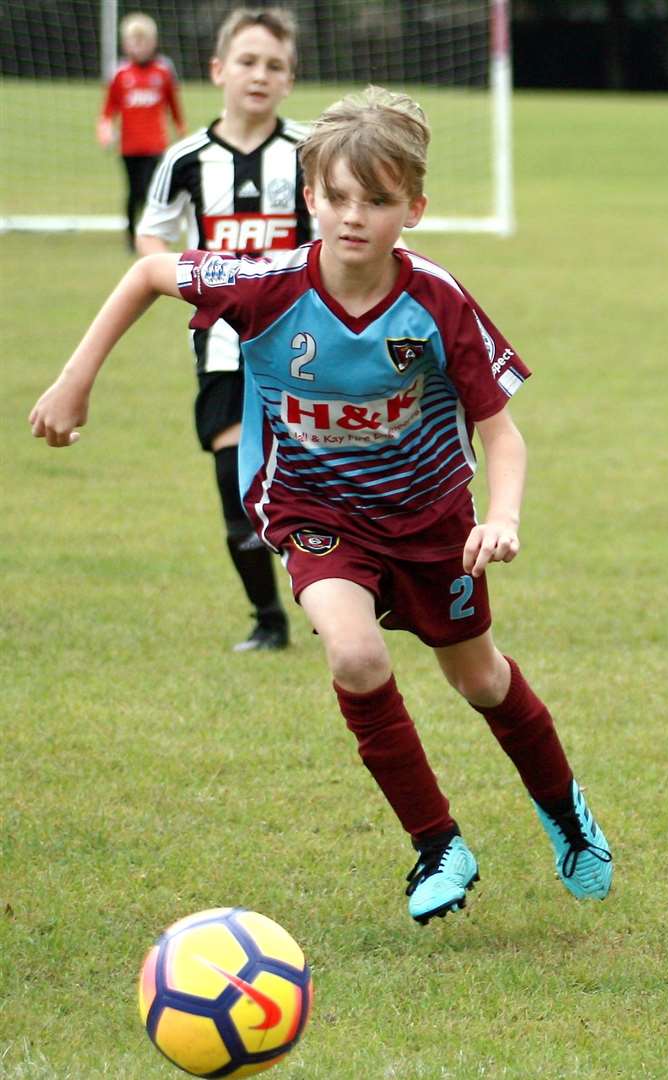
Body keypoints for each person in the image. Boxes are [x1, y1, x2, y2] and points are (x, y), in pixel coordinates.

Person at [30, 86, 613, 925]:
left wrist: (503, 517)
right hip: (315, 511)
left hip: (430, 520)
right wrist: (76, 380)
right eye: (336, 197)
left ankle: (565, 815)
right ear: (310, 197)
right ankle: (437, 842)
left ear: (412, 207)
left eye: (375, 200)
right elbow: (153, 271)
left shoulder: (437, 300)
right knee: (355, 657)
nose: (353, 216)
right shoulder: (264, 284)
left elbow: (502, 433)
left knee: (480, 678)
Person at [136, 7, 313, 653]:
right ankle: (268, 619)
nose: (258, 75)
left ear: (289, 79)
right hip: (222, 345)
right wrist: (180, 273)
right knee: (235, 484)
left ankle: (334, 593)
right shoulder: (185, 158)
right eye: (247, 61)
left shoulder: (310, 153)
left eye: (274, 65)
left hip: (305, 345)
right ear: (218, 70)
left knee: (315, 479)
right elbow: (152, 230)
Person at [98, 12, 185, 251]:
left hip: (156, 144)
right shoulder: (121, 74)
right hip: (129, 145)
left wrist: (181, 129)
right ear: (125, 44)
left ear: (153, 42)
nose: (138, 46)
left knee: (150, 190)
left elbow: (173, 106)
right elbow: (108, 110)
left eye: (143, 41)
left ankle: (148, 236)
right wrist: (105, 130)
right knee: (133, 192)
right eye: (133, 41)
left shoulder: (163, 71)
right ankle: (130, 237)